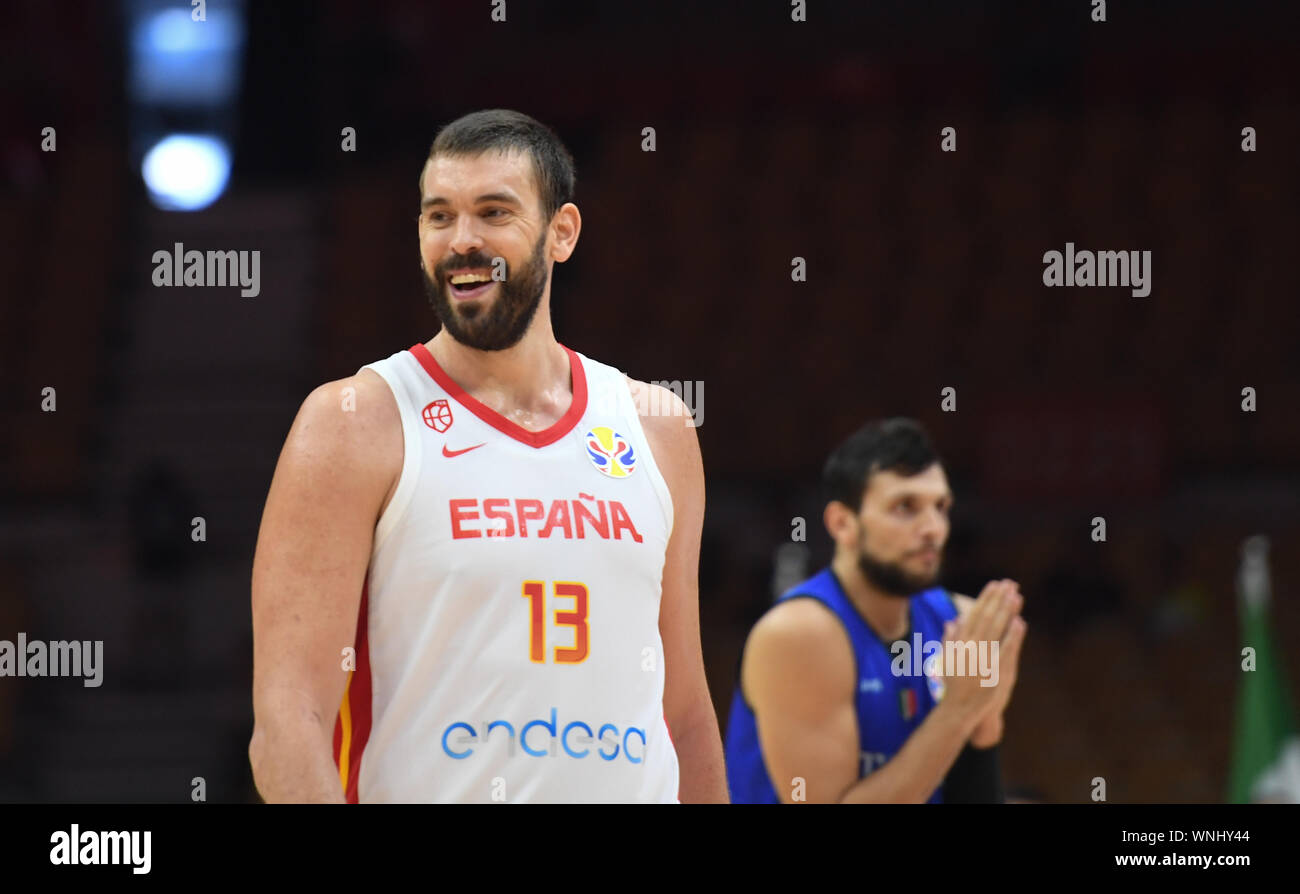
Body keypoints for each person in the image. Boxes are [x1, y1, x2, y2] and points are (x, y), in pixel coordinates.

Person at [249, 109, 726, 803]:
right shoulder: (354, 423)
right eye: (439, 216)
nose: (462, 240)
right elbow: (288, 724)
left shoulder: (658, 427)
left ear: (562, 232)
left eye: (493, 212)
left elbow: (685, 715)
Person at [725, 418, 1027, 803]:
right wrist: (959, 710)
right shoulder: (800, 635)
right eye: (905, 507)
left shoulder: (961, 622)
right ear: (842, 523)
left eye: (940, 507)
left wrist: (984, 725)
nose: (933, 528)